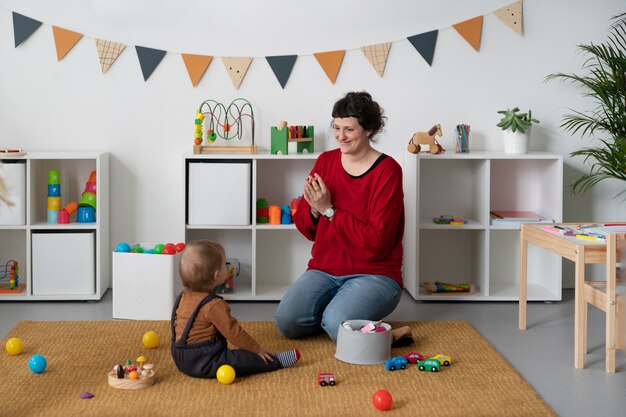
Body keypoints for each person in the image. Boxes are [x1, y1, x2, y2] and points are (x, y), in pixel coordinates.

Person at [275, 91, 411, 344]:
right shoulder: (325, 161)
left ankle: (382, 334)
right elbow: (307, 229)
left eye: (348, 129)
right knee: (287, 321)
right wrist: (315, 210)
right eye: (336, 128)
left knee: (336, 324)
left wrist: (329, 211)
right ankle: (345, 321)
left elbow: (378, 243)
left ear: (368, 129)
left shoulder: (388, 171)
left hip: (375, 274)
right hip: (325, 269)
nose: (340, 136)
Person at [171, 239, 300, 379]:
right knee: (240, 359)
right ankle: (275, 361)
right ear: (216, 275)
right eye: (224, 265)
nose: (226, 268)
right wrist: (257, 349)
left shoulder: (184, 295)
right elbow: (234, 333)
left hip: (179, 356)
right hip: (203, 361)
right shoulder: (213, 305)